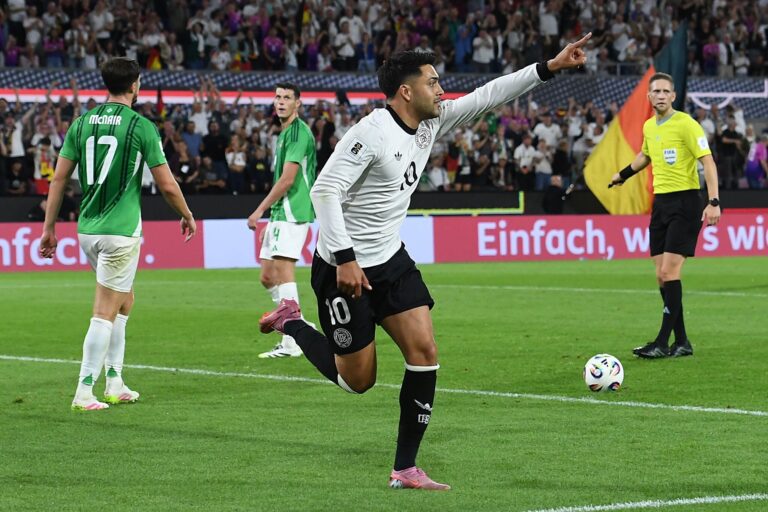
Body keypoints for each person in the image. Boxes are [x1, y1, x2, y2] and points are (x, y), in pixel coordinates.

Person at [258, 36, 591, 490]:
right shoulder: (371, 132)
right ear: (405, 91)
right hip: (343, 269)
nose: (441, 90)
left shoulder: (430, 123)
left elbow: (489, 94)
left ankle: (406, 467)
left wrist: (550, 66)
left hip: (391, 261)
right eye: (433, 82)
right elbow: (324, 191)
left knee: (425, 352)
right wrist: (346, 258)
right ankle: (291, 321)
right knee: (357, 382)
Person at [39, 57, 196, 411]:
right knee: (104, 311)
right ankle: (83, 391)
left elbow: (60, 178)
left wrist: (49, 227)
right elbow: (167, 184)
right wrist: (186, 213)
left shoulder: (81, 124)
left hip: (87, 230)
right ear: (136, 85)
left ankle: (115, 381)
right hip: (121, 233)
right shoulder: (140, 126)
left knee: (125, 300)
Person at [609, 72, 721, 359]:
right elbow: (645, 156)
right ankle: (681, 341)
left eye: (665, 91)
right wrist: (623, 174)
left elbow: (707, 162)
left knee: (670, 272)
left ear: (673, 96)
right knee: (661, 276)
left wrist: (713, 201)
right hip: (660, 205)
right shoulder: (649, 127)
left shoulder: (686, 124)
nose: (660, 95)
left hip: (685, 203)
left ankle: (661, 342)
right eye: (655, 91)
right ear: (649, 96)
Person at [247, 83, 317, 359]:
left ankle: (291, 342)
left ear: (297, 103)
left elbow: (288, 179)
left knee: (284, 271)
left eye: (287, 98)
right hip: (280, 213)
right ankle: (298, 324)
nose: (281, 102)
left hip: (293, 210)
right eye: (277, 97)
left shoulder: (299, 133)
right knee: (267, 276)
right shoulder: (285, 133)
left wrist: (259, 211)